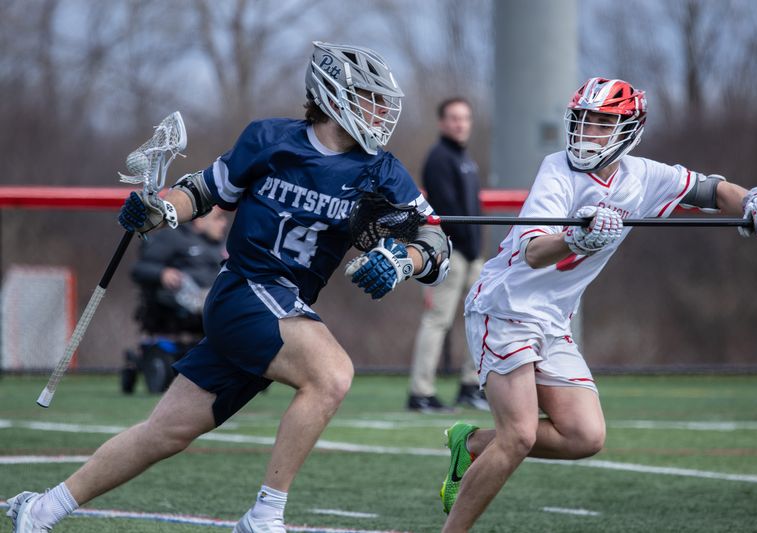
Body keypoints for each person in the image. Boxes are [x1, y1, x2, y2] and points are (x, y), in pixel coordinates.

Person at [6, 41, 450, 533]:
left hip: (284, 308)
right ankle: (265, 515)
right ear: (333, 94)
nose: (380, 111)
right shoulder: (270, 139)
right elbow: (199, 191)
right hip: (246, 289)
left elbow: (434, 238)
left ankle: (43, 507)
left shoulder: (381, 169)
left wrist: (402, 262)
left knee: (164, 432)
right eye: (369, 97)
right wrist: (159, 211)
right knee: (332, 374)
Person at [438, 77, 757, 531]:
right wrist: (575, 236)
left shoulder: (641, 176)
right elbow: (532, 250)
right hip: (505, 307)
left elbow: (708, 189)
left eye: (602, 123)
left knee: (585, 435)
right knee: (519, 435)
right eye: (582, 120)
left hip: (551, 320)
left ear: (629, 129)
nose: (587, 132)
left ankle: (469, 444)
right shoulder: (557, 169)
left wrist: (755, 199)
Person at [408, 97, 487, 412]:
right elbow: (448, 211)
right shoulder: (439, 157)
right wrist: (461, 248)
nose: (460, 124)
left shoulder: (465, 159)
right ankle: (420, 392)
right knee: (437, 321)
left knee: (481, 319)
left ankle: (471, 385)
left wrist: (475, 251)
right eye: (454, 118)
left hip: (471, 254)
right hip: (449, 251)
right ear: (442, 122)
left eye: (465, 118)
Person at [121, 207, 228, 394]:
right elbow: (140, 269)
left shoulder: (220, 246)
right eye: (218, 218)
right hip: (183, 301)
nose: (224, 223)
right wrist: (162, 273)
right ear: (200, 221)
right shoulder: (172, 238)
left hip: (215, 297)